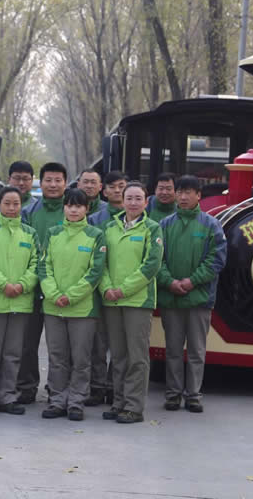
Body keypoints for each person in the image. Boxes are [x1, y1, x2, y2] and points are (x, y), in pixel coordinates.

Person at [157, 177, 227, 413]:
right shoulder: (164, 225)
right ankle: (173, 395)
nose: (184, 197)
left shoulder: (211, 225)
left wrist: (192, 281)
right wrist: (169, 282)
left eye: (189, 192)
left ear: (199, 195)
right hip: (171, 298)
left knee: (197, 351)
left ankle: (194, 396)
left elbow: (217, 260)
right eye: (180, 192)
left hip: (199, 299)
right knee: (173, 350)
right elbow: (156, 259)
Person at [39, 189, 106, 421]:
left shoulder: (96, 235)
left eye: (79, 206)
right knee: (57, 357)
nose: (74, 210)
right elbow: (44, 266)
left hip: (82, 309)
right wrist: (53, 294)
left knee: (81, 359)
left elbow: (95, 272)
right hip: (53, 306)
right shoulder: (53, 233)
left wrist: (72, 296)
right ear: (64, 208)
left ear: (87, 208)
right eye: (69, 205)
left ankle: (76, 401)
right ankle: (57, 400)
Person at [99, 181, 163, 424]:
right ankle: (118, 402)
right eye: (129, 198)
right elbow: (101, 263)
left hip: (138, 301)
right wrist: (107, 288)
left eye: (138, 198)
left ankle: (134, 407)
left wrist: (123, 290)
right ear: (122, 201)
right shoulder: (109, 228)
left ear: (146, 202)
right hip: (112, 301)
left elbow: (151, 265)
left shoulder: (152, 229)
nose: (133, 203)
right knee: (118, 355)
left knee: (137, 356)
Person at [0, 186, 39, 416]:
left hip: (21, 302)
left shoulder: (30, 234)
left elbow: (36, 264)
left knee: (13, 353)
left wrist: (22, 285)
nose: (12, 208)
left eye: (16, 203)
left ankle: (7, 396)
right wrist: (4, 285)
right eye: (7, 203)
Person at [17, 161, 68, 404]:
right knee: (27, 344)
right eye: (48, 180)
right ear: (41, 182)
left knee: (60, 347)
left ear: (65, 183)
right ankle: (26, 387)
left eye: (58, 180)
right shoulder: (29, 212)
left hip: (62, 291)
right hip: (33, 289)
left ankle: (58, 389)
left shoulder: (72, 211)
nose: (53, 185)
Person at [85, 170, 129, 406]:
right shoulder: (94, 220)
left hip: (125, 290)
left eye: (121, 186)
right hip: (98, 289)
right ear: (104, 191)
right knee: (98, 343)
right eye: (112, 187)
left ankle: (115, 387)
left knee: (120, 344)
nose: (117, 190)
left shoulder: (135, 219)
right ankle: (97, 387)